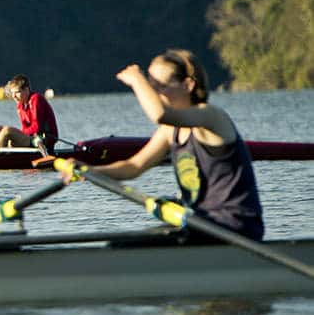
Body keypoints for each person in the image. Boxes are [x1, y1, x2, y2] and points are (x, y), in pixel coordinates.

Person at [68, 49, 263, 240]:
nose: (153, 93)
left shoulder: (211, 117)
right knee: (121, 245)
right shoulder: (171, 131)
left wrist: (138, 80)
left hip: (236, 228)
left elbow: (159, 114)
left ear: (188, 85)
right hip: (203, 224)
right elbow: (134, 167)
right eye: (151, 86)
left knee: (127, 250)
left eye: (160, 85)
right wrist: (89, 170)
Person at [0, 74, 59, 152]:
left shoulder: (36, 99)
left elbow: (37, 127)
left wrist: (17, 134)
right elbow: (25, 127)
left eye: (17, 92)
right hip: (32, 138)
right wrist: (18, 135)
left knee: (7, 131)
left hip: (44, 139)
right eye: (12, 93)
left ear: (26, 90)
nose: (14, 96)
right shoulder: (20, 105)